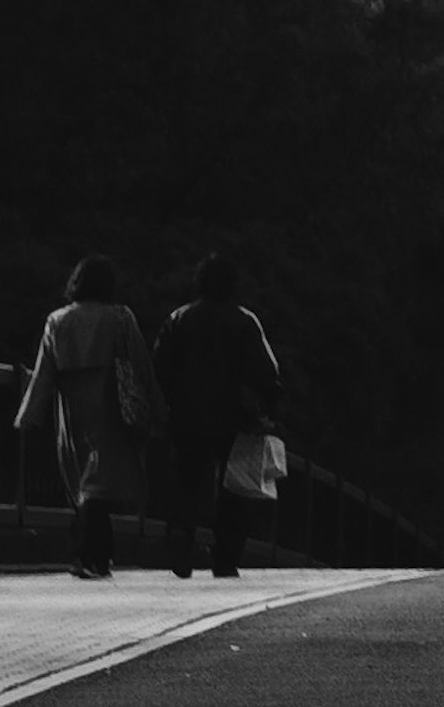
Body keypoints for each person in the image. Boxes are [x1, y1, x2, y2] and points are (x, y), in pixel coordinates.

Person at [17, 256, 167, 581]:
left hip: (72, 407)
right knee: (99, 482)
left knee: (86, 481)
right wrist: (156, 408)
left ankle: (92, 555)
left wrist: (30, 413)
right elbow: (140, 363)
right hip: (110, 403)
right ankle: (92, 555)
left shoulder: (57, 321)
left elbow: (44, 372)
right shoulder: (119, 318)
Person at [151, 249, 284, 582]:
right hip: (233, 420)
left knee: (187, 481)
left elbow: (159, 368)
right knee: (233, 489)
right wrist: (268, 409)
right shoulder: (245, 322)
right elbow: (267, 373)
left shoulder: (178, 319)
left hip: (186, 416)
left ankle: (181, 534)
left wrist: (168, 406)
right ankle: (225, 556)